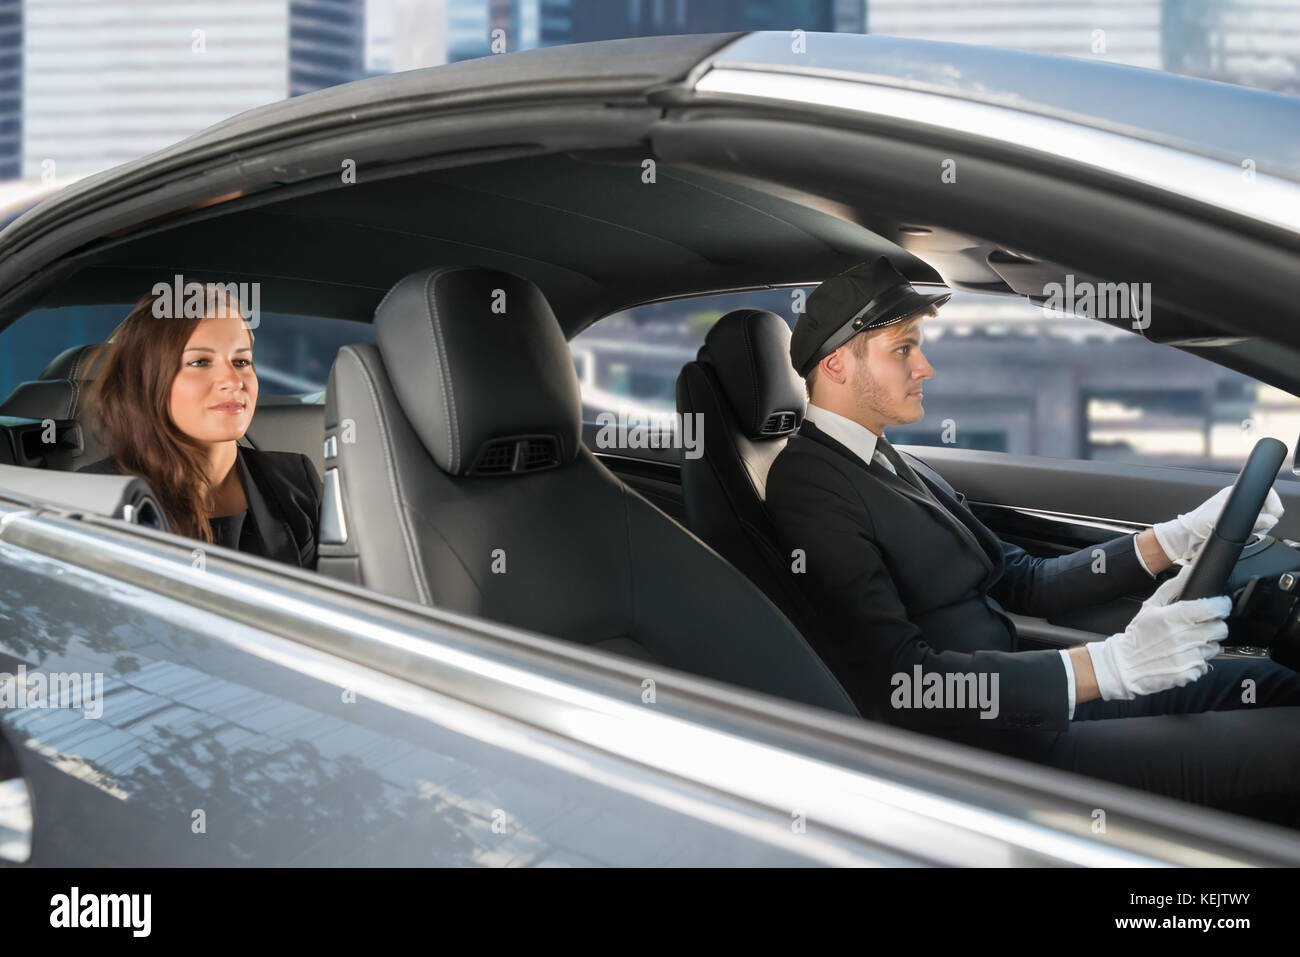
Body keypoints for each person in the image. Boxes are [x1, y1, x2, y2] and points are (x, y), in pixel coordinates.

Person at [765, 256, 1300, 825]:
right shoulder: (810, 487)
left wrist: (1176, 538)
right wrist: (1110, 667)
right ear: (838, 364)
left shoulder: (893, 461)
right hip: (989, 748)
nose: (925, 368)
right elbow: (900, 685)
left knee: (1266, 681)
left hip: (1027, 697)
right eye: (903, 349)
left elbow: (1023, 581)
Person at [78, 287, 322, 570]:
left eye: (241, 361)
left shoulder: (295, 480)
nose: (233, 380)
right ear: (147, 383)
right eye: (200, 362)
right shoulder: (98, 495)